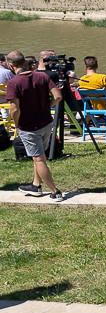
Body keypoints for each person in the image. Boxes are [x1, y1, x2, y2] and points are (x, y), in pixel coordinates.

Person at [5, 51, 64, 201]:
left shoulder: (13, 82)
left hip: (28, 127)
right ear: (24, 62)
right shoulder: (42, 76)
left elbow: (14, 109)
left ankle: (55, 191)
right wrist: (46, 106)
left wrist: (17, 124)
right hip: (46, 123)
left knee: (38, 159)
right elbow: (58, 96)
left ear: (10, 65)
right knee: (39, 156)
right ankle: (36, 185)